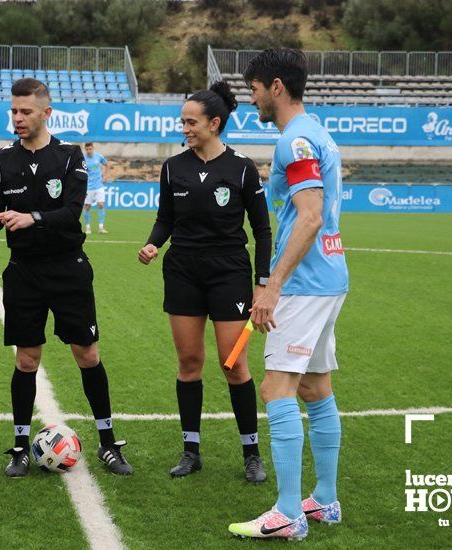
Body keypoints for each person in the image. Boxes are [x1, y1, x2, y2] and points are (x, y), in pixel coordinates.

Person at [0, 78, 133, 478]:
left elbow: (72, 212)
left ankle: (108, 444)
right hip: (24, 272)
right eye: (14, 111)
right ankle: (21, 447)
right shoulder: (2, 160)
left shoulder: (71, 156)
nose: (18, 118)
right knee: (27, 359)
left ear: (47, 113)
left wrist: (32, 218)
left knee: (87, 354)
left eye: (26, 111)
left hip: (68, 269)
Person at [227, 48, 348, 541]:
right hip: (330, 276)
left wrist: (271, 286)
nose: (251, 96)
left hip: (304, 284)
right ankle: (323, 500)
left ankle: (287, 514)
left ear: (275, 86)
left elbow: (311, 215)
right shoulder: (317, 132)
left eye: (253, 87)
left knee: (276, 388)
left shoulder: (294, 140)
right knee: (315, 388)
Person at [138, 81, 272, 482]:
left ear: (215, 123)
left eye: (191, 122)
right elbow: (166, 218)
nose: (185, 128)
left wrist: (261, 281)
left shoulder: (242, 167)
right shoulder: (172, 167)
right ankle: (191, 450)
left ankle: (252, 452)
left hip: (229, 271)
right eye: (183, 122)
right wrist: (152, 244)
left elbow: (263, 230)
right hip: (182, 271)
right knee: (189, 362)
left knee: (233, 363)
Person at [82, 142, 109, 234]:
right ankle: (88, 227)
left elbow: (106, 164)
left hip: (99, 185)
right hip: (89, 186)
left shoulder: (99, 156)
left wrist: (105, 175)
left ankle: (101, 227)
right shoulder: (83, 158)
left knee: (101, 204)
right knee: (87, 207)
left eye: (90, 149)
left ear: (93, 148)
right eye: (87, 149)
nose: (89, 151)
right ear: (85, 149)